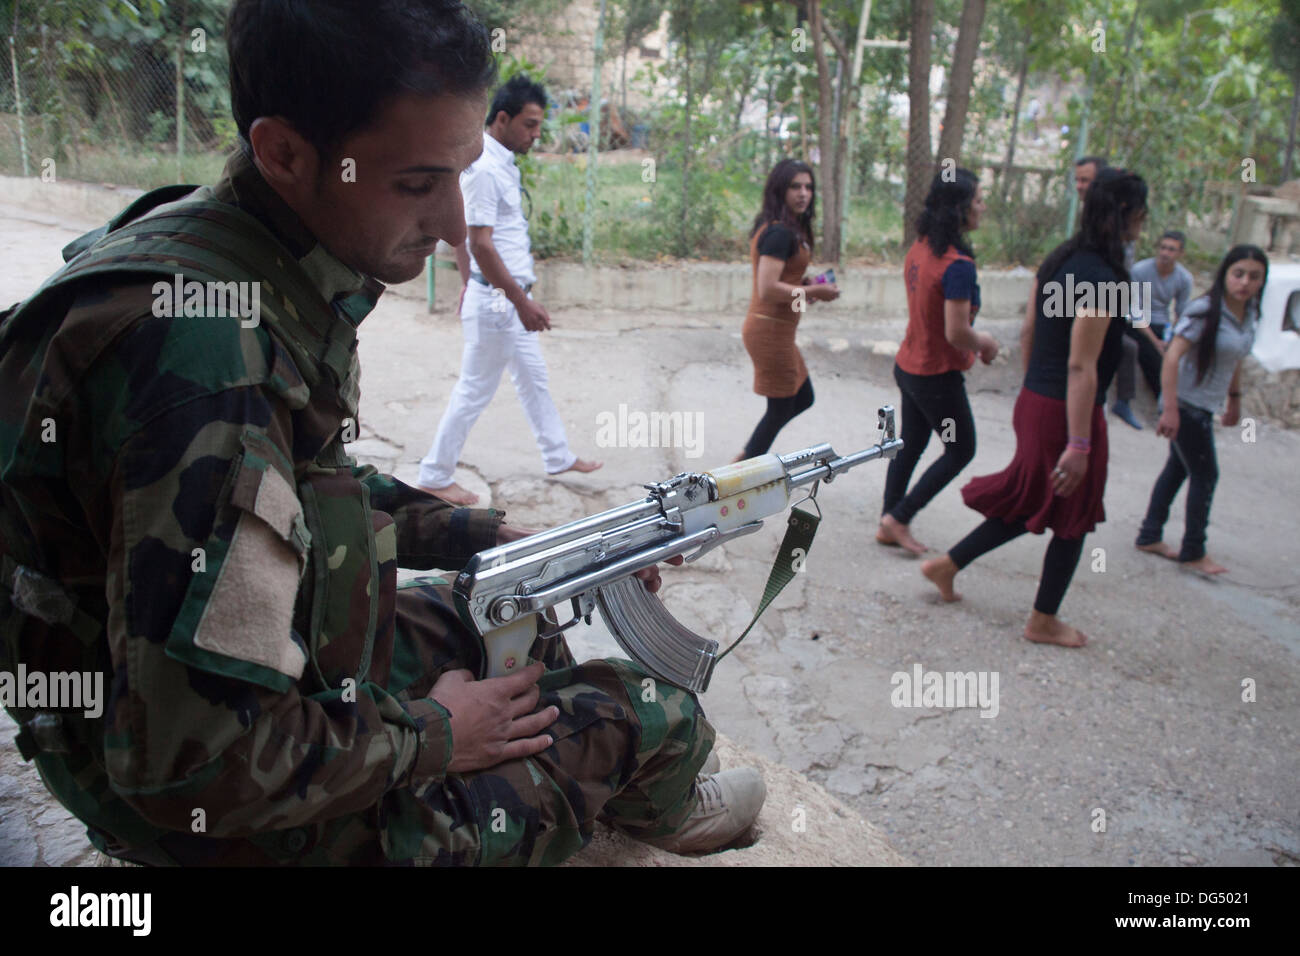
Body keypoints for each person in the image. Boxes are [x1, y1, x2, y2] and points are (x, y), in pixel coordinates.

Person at [0, 0, 763, 866]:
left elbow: (297, 493)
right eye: (415, 184)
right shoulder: (211, 363)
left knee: (504, 616)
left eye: (461, 176)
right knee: (638, 711)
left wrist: (490, 536)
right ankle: (621, 788)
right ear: (285, 152)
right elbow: (192, 769)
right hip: (197, 812)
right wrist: (433, 737)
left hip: (164, 696)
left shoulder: (222, 251)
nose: (448, 227)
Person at [921, 168, 1149, 648]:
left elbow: (1029, 334)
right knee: (1074, 516)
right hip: (1069, 412)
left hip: (1038, 401)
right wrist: (1080, 440)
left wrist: (1035, 394)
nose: (1145, 221)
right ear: (1126, 214)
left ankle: (948, 564)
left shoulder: (1061, 260)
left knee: (1033, 501)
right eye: (1142, 212)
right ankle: (1043, 619)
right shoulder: (1102, 278)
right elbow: (1082, 366)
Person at [416, 74, 601, 507]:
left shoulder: (499, 163)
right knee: (474, 389)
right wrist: (522, 303)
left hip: (498, 298)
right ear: (502, 118)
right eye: (530, 125)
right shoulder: (483, 170)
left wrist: (471, 285)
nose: (537, 135)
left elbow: (465, 238)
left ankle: (557, 455)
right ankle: (435, 474)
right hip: (502, 302)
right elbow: (477, 242)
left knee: (532, 378)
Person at [878, 167, 998, 555]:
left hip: (910, 366)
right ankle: (899, 517)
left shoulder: (921, 246)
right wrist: (986, 344)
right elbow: (957, 332)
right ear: (961, 208)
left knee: (911, 442)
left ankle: (888, 520)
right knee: (960, 449)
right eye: (978, 200)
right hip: (935, 376)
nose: (983, 206)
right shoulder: (956, 264)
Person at [1135, 245, 1267, 576]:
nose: (1245, 282)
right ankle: (1193, 550)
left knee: (1178, 469)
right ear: (1225, 275)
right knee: (1206, 474)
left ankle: (1150, 534)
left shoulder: (1248, 315)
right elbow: (1172, 357)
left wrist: (1234, 399)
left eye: (1254, 276)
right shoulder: (1204, 311)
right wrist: (1169, 409)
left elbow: (1234, 356)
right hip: (1187, 405)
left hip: (1206, 405)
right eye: (1238, 274)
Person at [735, 159, 839, 460]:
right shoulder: (780, 233)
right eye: (795, 186)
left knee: (803, 397)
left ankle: (742, 470)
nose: (803, 193)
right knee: (780, 409)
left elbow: (782, 283)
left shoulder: (785, 229)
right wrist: (814, 290)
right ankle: (734, 476)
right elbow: (767, 289)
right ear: (780, 190)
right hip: (769, 331)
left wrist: (804, 287)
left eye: (808, 187)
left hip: (778, 329)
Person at [1127, 230, 1194, 396]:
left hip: (1161, 323)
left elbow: (1182, 313)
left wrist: (1172, 339)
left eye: (1171, 249)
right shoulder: (1140, 270)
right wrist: (1155, 341)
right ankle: (1163, 398)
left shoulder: (1184, 278)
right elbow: (1134, 311)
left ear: (1181, 253)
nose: (1165, 253)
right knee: (1151, 353)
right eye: (1163, 248)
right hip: (1138, 322)